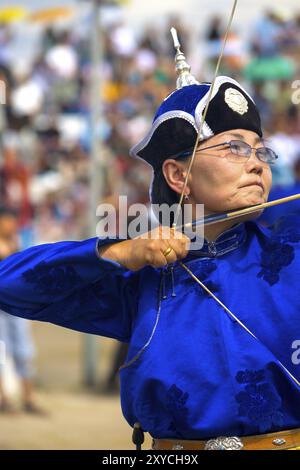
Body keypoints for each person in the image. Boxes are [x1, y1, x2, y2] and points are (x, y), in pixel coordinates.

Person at [0, 45, 300, 451]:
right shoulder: (140, 275)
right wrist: (119, 254)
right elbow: (9, 285)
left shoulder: (290, 253)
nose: (258, 163)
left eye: (260, 149)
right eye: (234, 147)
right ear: (178, 174)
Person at [0, 208, 45, 414]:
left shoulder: (20, 241)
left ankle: (28, 397)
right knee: (1, 353)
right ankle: (3, 398)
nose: (10, 225)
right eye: (6, 221)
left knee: (24, 351)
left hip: (17, 306)